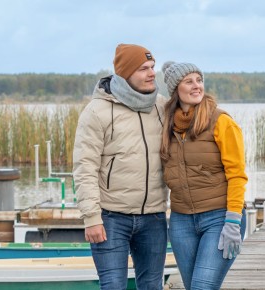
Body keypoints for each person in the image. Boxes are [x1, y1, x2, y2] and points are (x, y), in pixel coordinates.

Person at [73, 44, 168, 290]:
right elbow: (85, 168)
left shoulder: (161, 106)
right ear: (125, 73)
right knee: (114, 285)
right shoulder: (97, 111)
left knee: (152, 286)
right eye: (144, 69)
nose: (152, 73)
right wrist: (91, 217)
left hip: (154, 217)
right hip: (110, 218)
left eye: (152, 67)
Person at [159, 61, 247, 289]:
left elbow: (237, 175)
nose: (197, 86)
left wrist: (233, 221)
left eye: (199, 80)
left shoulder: (221, 122)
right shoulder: (167, 125)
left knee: (202, 287)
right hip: (181, 221)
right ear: (175, 89)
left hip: (219, 218)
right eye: (189, 81)